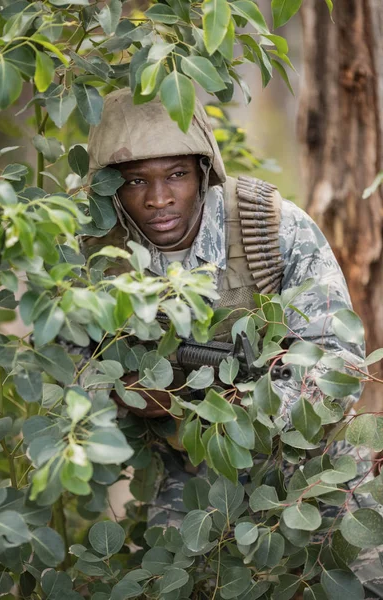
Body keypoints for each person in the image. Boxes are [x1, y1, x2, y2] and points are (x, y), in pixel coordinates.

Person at [84, 88, 383, 597]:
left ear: (204, 171)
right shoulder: (96, 256)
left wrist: (232, 407)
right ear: (112, 187)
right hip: (189, 470)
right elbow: (62, 376)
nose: (158, 199)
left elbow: (338, 364)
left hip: (306, 454)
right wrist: (124, 396)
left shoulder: (269, 224)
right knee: (172, 583)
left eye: (176, 174)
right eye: (137, 181)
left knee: (364, 570)